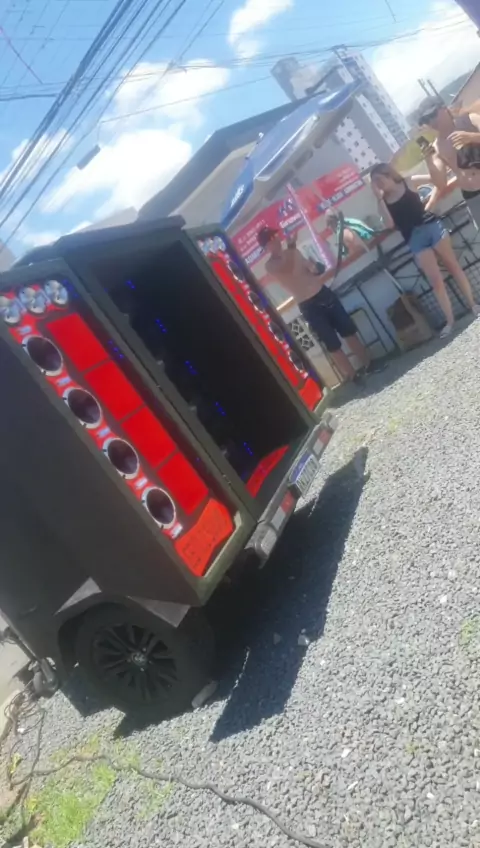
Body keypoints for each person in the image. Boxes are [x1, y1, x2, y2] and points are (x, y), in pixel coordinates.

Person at [369, 162, 479, 338]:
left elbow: (437, 181)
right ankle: (450, 321)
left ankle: (473, 305)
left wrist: (432, 201)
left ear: (388, 174)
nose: (378, 185)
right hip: (414, 237)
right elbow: (389, 224)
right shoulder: (382, 201)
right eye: (375, 183)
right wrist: (379, 198)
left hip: (431, 226)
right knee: (436, 281)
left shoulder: (408, 181)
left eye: (379, 180)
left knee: (453, 266)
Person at [257, 225, 379, 382]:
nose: (276, 240)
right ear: (266, 246)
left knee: (348, 330)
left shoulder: (293, 251)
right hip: (308, 305)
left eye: (275, 236)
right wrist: (292, 247)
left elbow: (306, 267)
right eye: (271, 239)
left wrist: (314, 267)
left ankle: (369, 364)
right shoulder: (270, 266)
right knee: (331, 343)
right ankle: (353, 376)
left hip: (322, 293)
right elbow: (288, 268)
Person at [417, 98, 480, 228]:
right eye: (426, 120)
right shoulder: (437, 146)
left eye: (433, 115)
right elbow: (440, 183)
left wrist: (472, 137)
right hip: (472, 195)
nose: (431, 121)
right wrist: (429, 160)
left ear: (443, 108)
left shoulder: (470, 119)